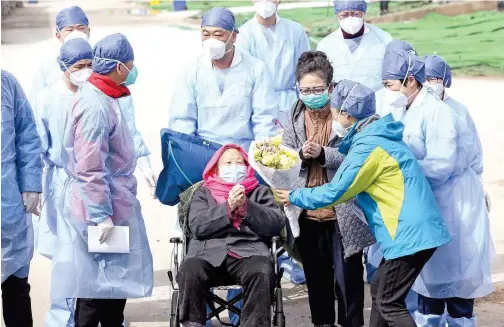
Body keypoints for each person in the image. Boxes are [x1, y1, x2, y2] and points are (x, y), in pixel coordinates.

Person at [276, 79, 451, 327]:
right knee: (380, 289)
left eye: (334, 112)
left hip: (407, 232)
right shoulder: (377, 134)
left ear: (346, 114)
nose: (333, 117)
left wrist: (294, 196)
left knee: (390, 303)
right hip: (413, 229)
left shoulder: (368, 147)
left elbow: (337, 192)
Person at [51, 33, 154, 325]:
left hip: (112, 202)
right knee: (95, 290)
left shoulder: (107, 96)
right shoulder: (95, 105)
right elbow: (89, 167)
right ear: (119, 66)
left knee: (111, 288)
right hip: (99, 209)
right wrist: (101, 215)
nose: (133, 69)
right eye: (131, 63)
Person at [281, 51, 375, 327]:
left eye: (317, 89)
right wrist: (298, 154)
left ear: (330, 87)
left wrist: (323, 154)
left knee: (348, 280)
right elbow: (285, 155)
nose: (311, 95)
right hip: (307, 210)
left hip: (341, 211)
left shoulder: (347, 114)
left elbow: (360, 160)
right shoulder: (296, 114)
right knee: (317, 278)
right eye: (305, 89)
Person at [410, 54, 494, 327]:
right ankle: (430, 318)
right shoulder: (417, 111)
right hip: (431, 197)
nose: (431, 84)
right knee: (430, 270)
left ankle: (460, 319)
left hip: (461, 199)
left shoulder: (459, 112)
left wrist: (480, 187)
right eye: (427, 79)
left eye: (436, 78)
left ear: (446, 80)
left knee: (462, 267)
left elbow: (474, 157)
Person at [177, 144, 285, 327]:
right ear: (216, 169)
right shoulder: (202, 193)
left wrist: (246, 207)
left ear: (247, 166)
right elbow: (197, 226)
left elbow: (275, 224)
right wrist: (227, 208)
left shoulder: (259, 191)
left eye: (239, 162)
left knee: (263, 268)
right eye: (228, 163)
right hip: (206, 254)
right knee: (189, 269)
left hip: (248, 253)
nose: (234, 166)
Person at [32, 38, 93, 327]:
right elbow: (37, 145)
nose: (85, 71)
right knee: (66, 256)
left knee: (96, 252)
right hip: (63, 182)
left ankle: (92, 313)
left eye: (90, 65)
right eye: (79, 66)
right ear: (63, 68)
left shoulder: (95, 94)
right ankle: (60, 317)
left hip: (94, 184)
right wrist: (35, 186)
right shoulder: (47, 98)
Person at [168, 7, 278, 151]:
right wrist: (188, 153)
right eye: (205, 35)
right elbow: (183, 119)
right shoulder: (192, 71)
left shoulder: (256, 69)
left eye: (218, 34)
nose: (211, 40)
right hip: (204, 152)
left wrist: (263, 152)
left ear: (234, 37)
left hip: (244, 152)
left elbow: (264, 118)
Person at [1, 70, 43, 327]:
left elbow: (27, 134)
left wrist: (30, 184)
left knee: (16, 287)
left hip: (7, 205)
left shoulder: (6, 83)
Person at [236, 0, 311, 126]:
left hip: (291, 104)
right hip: (258, 106)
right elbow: (244, 79)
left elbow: (307, 70)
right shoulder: (244, 35)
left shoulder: (295, 31)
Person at [316, 0, 392, 91]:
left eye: (355, 13)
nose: (350, 18)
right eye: (344, 15)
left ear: (363, 13)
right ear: (337, 16)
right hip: (341, 103)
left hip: (378, 101)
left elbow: (394, 77)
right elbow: (320, 81)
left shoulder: (383, 39)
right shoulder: (326, 45)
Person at [29, 6, 90, 104]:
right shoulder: (48, 66)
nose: (76, 33)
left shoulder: (99, 61)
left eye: (81, 28)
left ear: (88, 32)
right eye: (70, 30)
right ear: (58, 36)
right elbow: (35, 103)